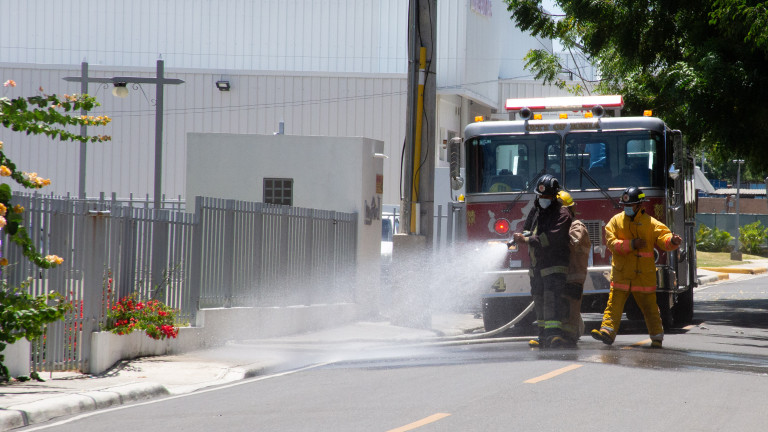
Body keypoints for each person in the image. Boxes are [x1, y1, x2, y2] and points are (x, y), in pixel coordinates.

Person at [591, 186, 682, 348]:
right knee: (613, 305)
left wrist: (673, 241)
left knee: (650, 308)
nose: (627, 208)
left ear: (640, 205)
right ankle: (607, 332)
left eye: (630, 205)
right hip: (622, 274)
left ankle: (656, 337)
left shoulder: (650, 223)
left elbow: (664, 238)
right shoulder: (615, 222)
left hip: (643, 276)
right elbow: (611, 244)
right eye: (625, 205)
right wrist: (632, 244)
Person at [513, 174, 572, 348]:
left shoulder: (563, 214)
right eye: (540, 196)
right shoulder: (536, 210)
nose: (543, 199)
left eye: (547, 196)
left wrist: (527, 240)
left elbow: (550, 239)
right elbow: (528, 229)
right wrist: (521, 235)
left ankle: (554, 335)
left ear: (554, 197)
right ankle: (543, 335)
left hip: (554, 265)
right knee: (539, 300)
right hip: (537, 265)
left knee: (551, 299)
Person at [557, 190, 591, 346]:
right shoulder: (560, 226)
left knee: (571, 307)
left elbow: (572, 243)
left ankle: (570, 336)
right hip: (562, 274)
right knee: (563, 307)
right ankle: (564, 333)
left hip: (574, 276)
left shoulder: (577, 226)